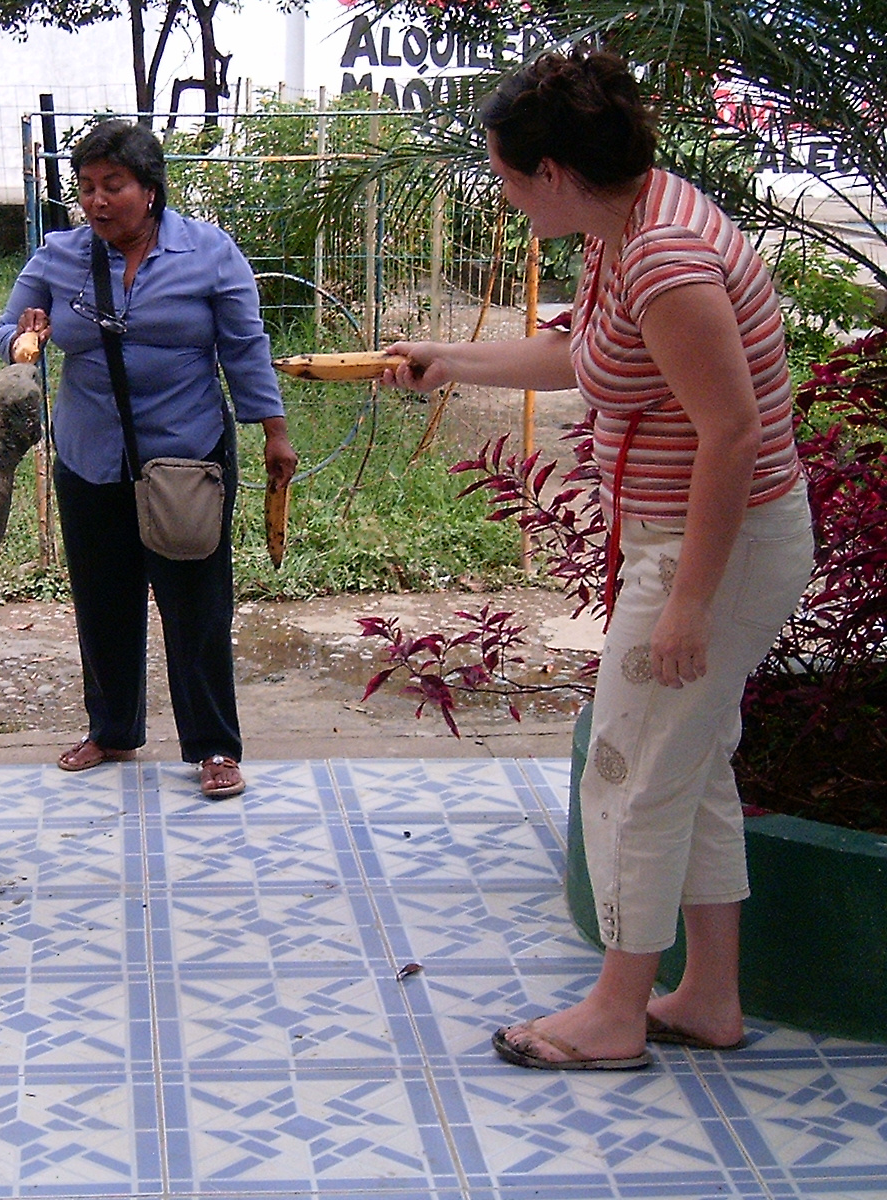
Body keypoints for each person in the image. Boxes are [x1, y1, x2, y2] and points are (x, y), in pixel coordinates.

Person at [383, 49, 813, 1069]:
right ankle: (706, 996)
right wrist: (453, 362)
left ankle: (617, 1012)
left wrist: (688, 605)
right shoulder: (625, 229)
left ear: (554, 175)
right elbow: (585, 355)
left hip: (716, 552)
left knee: (629, 772)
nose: (500, 190)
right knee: (690, 760)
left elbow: (732, 433)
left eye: (503, 173)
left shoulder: (665, 258)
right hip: (694, 546)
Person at [0, 119, 297, 800]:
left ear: (151, 189)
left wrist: (274, 433)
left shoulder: (210, 253)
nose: (98, 202)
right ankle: (112, 729)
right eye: (87, 188)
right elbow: (6, 329)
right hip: (88, 451)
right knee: (102, 599)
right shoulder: (58, 256)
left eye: (115, 186)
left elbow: (245, 349)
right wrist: (25, 332)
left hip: (185, 454)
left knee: (196, 602)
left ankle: (214, 745)